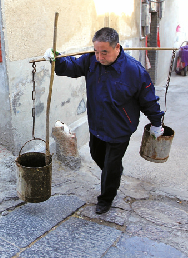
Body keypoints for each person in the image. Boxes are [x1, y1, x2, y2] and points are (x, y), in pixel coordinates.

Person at [44, 27, 164, 214]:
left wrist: (157, 123)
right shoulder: (91, 61)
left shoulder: (134, 71)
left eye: (104, 52)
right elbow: (72, 66)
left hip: (120, 128)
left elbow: (148, 99)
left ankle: (106, 198)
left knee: (109, 166)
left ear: (117, 47)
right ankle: (114, 172)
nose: (99, 57)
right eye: (96, 51)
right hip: (97, 125)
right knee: (97, 155)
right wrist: (57, 59)